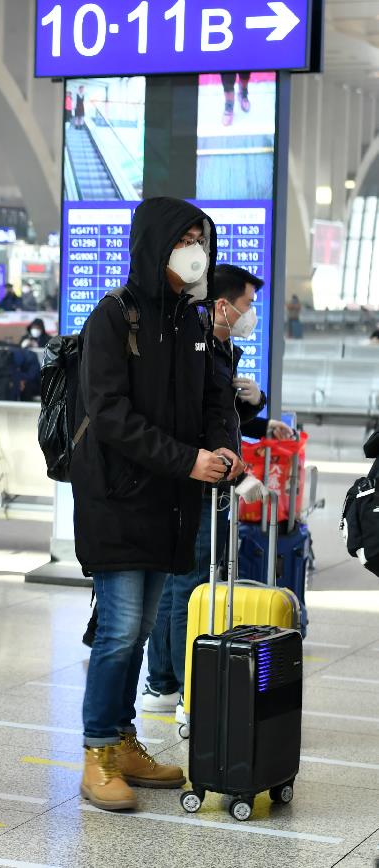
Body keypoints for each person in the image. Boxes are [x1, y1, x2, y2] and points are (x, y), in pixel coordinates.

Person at [71, 197, 241, 811]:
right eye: (184, 238)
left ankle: (121, 741)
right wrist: (187, 460)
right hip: (116, 498)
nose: (195, 249)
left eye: (201, 237)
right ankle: (97, 751)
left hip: (169, 500)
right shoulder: (115, 318)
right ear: (155, 244)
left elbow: (215, 405)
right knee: (118, 629)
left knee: (141, 627)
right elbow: (110, 416)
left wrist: (223, 449)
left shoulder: (193, 324)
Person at [141, 264, 292, 729]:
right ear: (222, 304)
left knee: (176, 587)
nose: (250, 313)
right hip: (195, 480)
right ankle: (189, 691)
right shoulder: (199, 346)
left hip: (203, 476)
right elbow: (196, 416)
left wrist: (257, 412)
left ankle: (163, 684)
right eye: (247, 304)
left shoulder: (218, 345)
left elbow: (219, 413)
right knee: (189, 587)